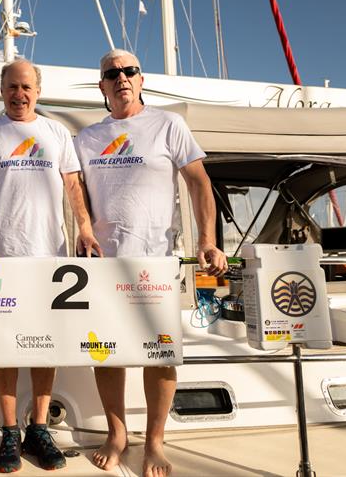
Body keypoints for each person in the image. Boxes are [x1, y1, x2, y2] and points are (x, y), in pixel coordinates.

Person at [74, 49, 228, 477]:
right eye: (112, 73)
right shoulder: (86, 138)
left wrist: (209, 242)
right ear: (102, 86)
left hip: (156, 263)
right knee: (107, 354)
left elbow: (199, 183)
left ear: (141, 79)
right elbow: (76, 194)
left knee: (160, 356)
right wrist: (83, 230)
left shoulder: (168, 124)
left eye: (130, 71)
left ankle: (156, 441)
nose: (121, 77)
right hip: (104, 263)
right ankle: (117, 434)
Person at [0, 58, 102, 473]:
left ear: (38, 90)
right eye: (12, 87)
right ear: (2, 90)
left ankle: (39, 427)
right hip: (2, 255)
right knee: (6, 345)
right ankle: (10, 431)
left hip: (50, 254)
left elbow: (73, 184)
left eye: (27, 87)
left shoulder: (55, 132)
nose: (20, 94)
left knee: (46, 343)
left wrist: (85, 229)